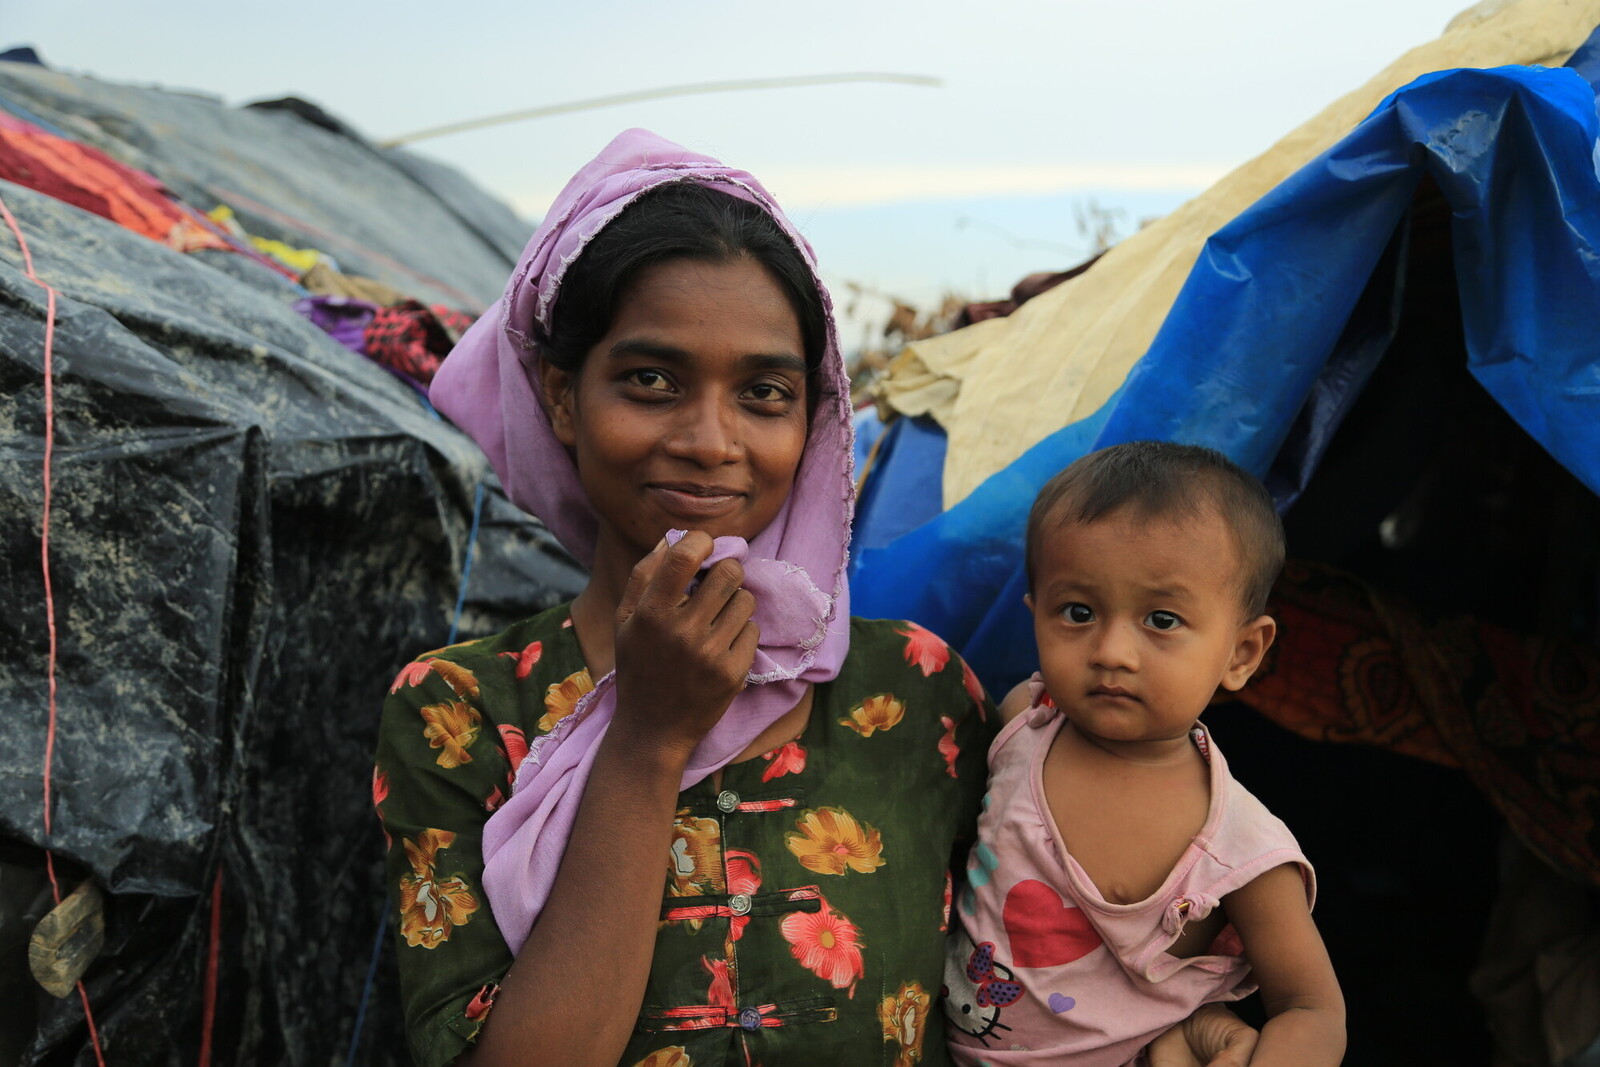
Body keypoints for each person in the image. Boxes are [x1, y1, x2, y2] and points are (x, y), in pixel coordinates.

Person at [374, 130, 1262, 1067]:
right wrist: (645, 738)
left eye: (764, 392)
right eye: (651, 380)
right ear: (561, 395)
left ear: (816, 415)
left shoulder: (915, 692)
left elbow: (1039, 969)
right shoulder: (459, 710)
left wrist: (1191, 1028)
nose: (712, 439)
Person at [943, 442, 1345, 1066]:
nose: (1111, 651)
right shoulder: (1025, 721)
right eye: (1077, 612)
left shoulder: (1240, 852)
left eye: (1161, 619)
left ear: (1242, 653)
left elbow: (1312, 1009)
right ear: (1036, 617)